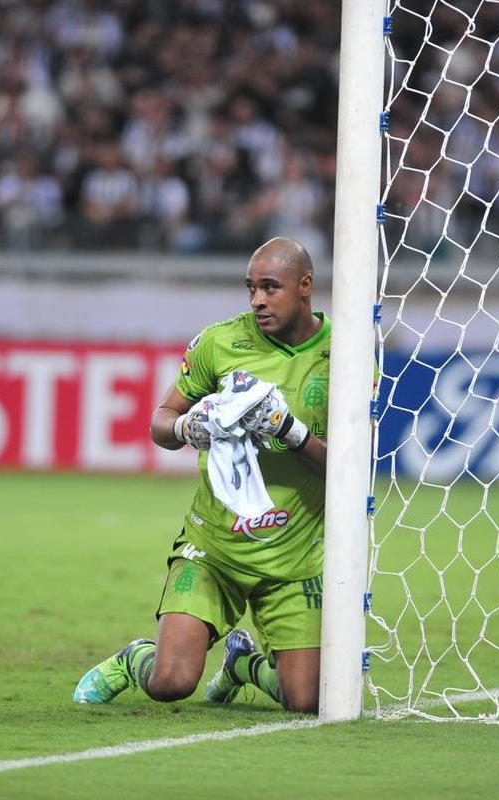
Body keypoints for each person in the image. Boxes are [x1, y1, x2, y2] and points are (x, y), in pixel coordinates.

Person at [73, 237, 330, 714]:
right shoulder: (220, 342)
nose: (257, 301)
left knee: (311, 700)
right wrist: (187, 426)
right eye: (251, 288)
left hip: (294, 559)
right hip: (215, 550)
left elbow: (351, 471)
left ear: (305, 287)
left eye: (270, 288)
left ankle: (242, 666)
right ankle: (136, 659)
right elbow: (160, 422)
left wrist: (290, 432)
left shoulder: (345, 357)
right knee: (172, 681)